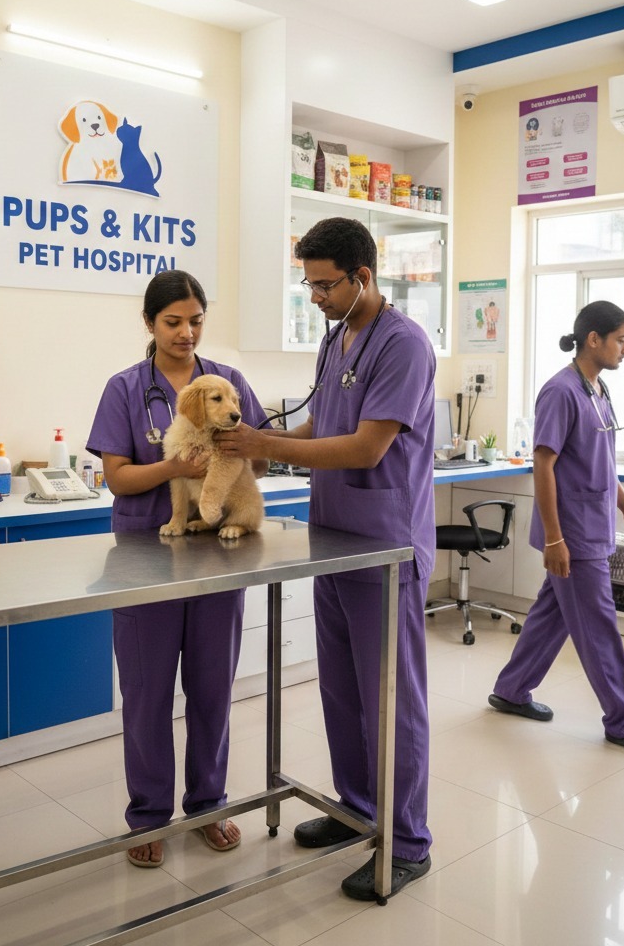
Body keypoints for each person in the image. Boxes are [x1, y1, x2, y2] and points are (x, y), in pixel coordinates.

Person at [216, 217, 435, 900]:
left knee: (392, 700)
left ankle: (407, 841)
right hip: (332, 542)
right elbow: (324, 427)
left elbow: (367, 446)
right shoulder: (338, 337)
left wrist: (266, 448)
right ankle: (357, 811)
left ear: (361, 276)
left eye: (323, 285)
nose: (314, 296)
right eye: (307, 284)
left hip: (385, 546)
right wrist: (265, 437)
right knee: (341, 691)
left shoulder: (404, 346)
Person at [85, 269, 270, 866]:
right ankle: (147, 818)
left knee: (213, 687)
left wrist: (238, 460)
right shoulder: (124, 389)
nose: (186, 332)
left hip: (218, 554)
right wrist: (178, 468)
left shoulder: (228, 382)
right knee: (145, 692)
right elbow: (117, 477)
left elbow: (260, 461)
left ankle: (209, 807)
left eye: (195, 321)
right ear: (149, 323)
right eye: (173, 322)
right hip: (144, 555)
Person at [488, 300, 624, 755]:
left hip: (594, 525)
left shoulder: (597, 389)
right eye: (621, 339)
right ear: (594, 339)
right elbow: (543, 465)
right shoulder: (561, 391)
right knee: (598, 626)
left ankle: (511, 690)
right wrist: (555, 538)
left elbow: (602, 461)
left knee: (552, 615)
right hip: (572, 534)